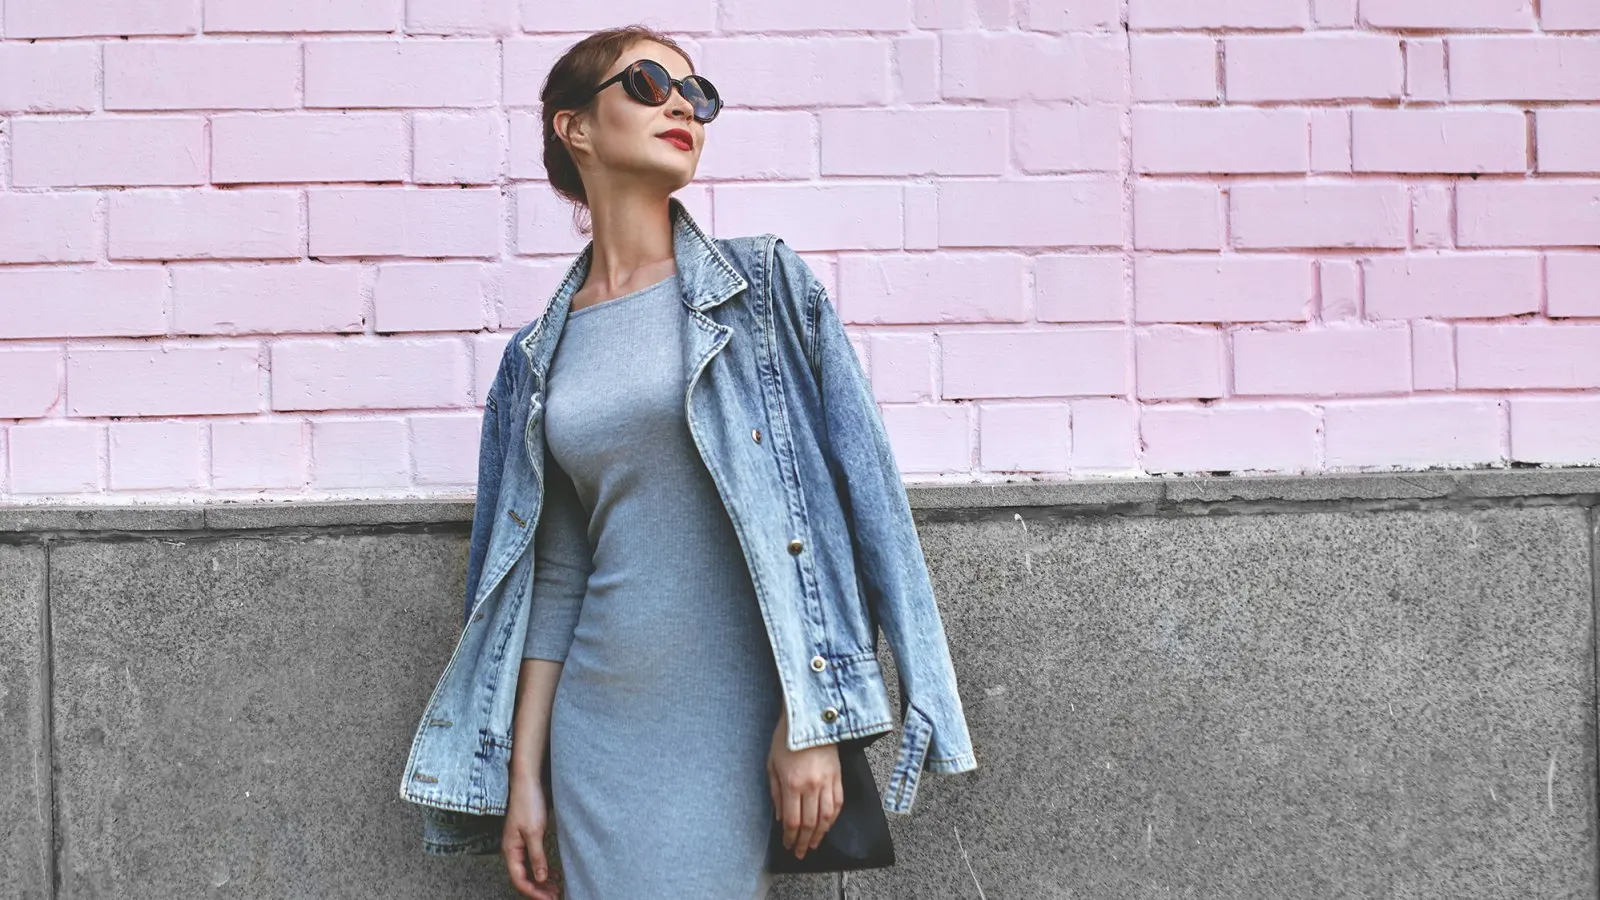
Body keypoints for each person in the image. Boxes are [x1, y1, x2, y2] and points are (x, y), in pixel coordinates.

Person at [473, 24, 976, 900]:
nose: (682, 104)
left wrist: (814, 721)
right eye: (648, 83)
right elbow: (556, 572)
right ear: (574, 128)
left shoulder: (765, 293)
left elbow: (864, 512)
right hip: (600, 726)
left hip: (742, 716)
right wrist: (523, 775)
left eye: (697, 94)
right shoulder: (536, 358)